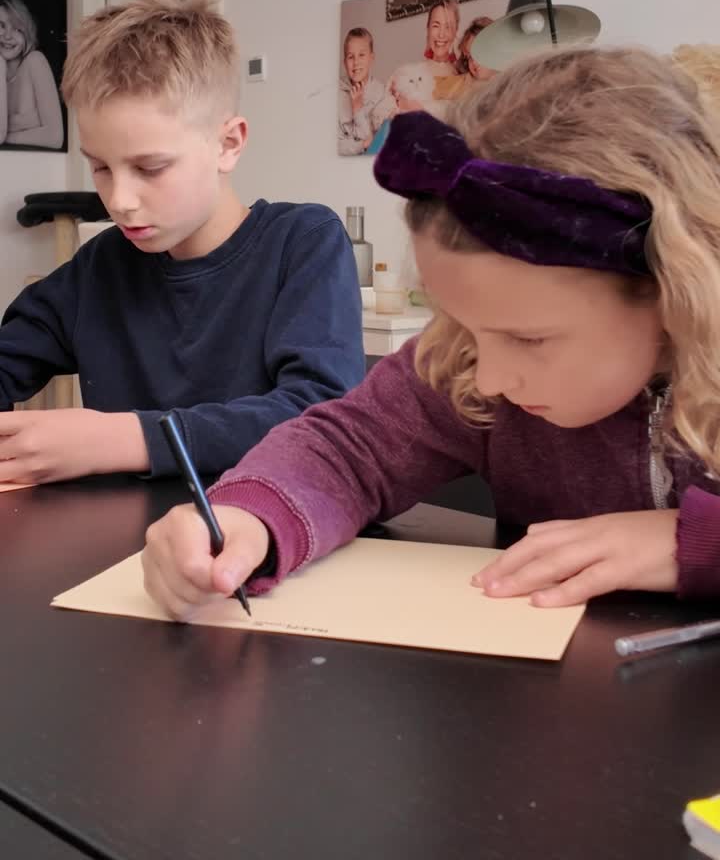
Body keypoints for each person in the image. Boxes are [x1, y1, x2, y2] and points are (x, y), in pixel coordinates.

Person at [142, 43, 720, 619]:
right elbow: (348, 450)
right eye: (464, 325)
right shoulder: (463, 363)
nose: (488, 379)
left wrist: (690, 541)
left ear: (670, 289)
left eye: (529, 339)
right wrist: (251, 518)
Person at [0, 0, 365, 484]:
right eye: (101, 167)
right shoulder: (102, 264)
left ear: (228, 144)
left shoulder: (303, 243)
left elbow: (318, 415)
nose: (120, 200)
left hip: (261, 538)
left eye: (150, 167)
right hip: (124, 545)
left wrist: (128, 440)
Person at [0, 0, 64, 149]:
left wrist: (8, 132)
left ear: (27, 33)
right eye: (1, 25)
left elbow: (55, 138)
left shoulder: (35, 61)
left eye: (17, 29)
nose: (8, 36)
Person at [338, 27, 394, 155]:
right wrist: (362, 144)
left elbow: (374, 145)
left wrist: (358, 110)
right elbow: (336, 145)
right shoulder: (335, 94)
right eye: (350, 57)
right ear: (344, 62)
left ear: (371, 58)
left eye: (361, 55)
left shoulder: (381, 93)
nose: (356, 62)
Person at [434, 16, 496, 102]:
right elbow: (432, 85)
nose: (473, 61)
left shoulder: (511, 77)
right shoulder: (467, 81)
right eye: (469, 57)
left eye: (477, 53)